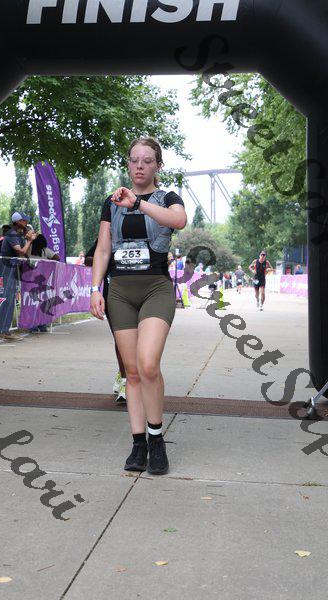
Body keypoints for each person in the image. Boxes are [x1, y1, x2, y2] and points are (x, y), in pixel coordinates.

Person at [90, 137, 187, 475]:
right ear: (128, 164)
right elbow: (103, 249)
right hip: (120, 292)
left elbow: (178, 221)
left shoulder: (168, 198)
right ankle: (138, 443)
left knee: (148, 365)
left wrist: (139, 204)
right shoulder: (111, 201)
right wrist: (95, 289)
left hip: (155, 289)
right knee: (131, 372)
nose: (140, 166)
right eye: (134, 160)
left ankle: (156, 438)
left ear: (158, 165)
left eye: (147, 160)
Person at [85, 239, 127, 403]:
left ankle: (129, 373)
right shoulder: (109, 234)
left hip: (143, 291)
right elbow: (89, 258)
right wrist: (106, 258)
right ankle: (125, 379)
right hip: (114, 293)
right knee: (121, 340)